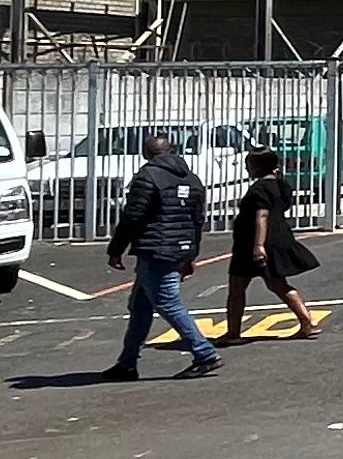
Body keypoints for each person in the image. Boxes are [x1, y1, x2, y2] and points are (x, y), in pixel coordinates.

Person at [102, 131, 221, 380]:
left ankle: (204, 352)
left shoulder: (147, 176)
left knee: (167, 302)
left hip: (156, 248)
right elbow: (197, 219)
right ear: (172, 150)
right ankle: (127, 363)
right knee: (140, 306)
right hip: (179, 247)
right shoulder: (192, 178)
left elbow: (133, 216)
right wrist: (190, 254)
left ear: (147, 153)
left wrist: (116, 250)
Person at [223, 139, 321, 340]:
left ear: (258, 166)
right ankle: (307, 321)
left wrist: (258, 245)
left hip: (253, 245)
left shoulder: (259, 189)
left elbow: (262, 215)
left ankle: (233, 333)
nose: (246, 167)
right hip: (276, 240)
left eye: (249, 163)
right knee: (278, 284)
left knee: (237, 288)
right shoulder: (281, 185)